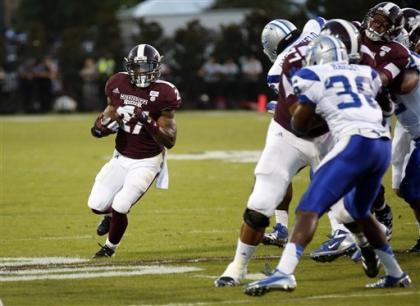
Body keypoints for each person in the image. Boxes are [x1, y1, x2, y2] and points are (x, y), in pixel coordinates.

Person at [244, 35, 411, 296]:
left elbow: (299, 126)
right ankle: (396, 273)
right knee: (360, 211)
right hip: (380, 144)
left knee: (308, 209)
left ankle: (284, 273)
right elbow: (387, 105)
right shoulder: (365, 72)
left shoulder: (312, 74)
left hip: (354, 144)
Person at [214, 17, 328, 287]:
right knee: (260, 202)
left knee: (348, 208)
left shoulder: (288, 59)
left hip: (329, 132)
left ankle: (368, 247)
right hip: (289, 131)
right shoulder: (309, 38)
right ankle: (237, 266)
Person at [311, 2, 413, 261]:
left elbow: (383, 79)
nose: (377, 25)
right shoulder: (350, 29)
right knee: (327, 167)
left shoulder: (398, 51)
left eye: (384, 23)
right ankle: (344, 233)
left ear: (394, 29)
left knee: (366, 176)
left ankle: (379, 213)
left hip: (373, 113)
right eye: (375, 19)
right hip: (338, 113)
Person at [88, 44, 181, 258]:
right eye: (137, 67)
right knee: (96, 205)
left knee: (121, 205)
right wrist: (99, 128)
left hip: (147, 160)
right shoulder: (117, 83)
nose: (142, 72)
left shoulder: (165, 93)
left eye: (147, 67)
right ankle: (110, 217)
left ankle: (109, 248)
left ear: (156, 68)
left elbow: (170, 140)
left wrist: (147, 120)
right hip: (120, 156)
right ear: (128, 67)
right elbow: (109, 112)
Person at [391, 7, 420, 252]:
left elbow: (409, 83)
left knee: (411, 189)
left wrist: (385, 89)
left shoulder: (407, 60)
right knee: (410, 190)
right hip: (417, 137)